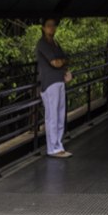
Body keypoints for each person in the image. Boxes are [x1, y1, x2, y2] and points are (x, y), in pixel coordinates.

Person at [35, 18, 73, 158]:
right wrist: (62, 62)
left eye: (53, 25)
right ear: (43, 28)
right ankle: (52, 148)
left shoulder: (55, 43)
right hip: (49, 83)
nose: (52, 28)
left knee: (60, 114)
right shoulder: (42, 43)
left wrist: (63, 65)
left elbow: (63, 60)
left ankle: (59, 145)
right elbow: (55, 62)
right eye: (49, 25)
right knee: (52, 116)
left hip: (59, 80)